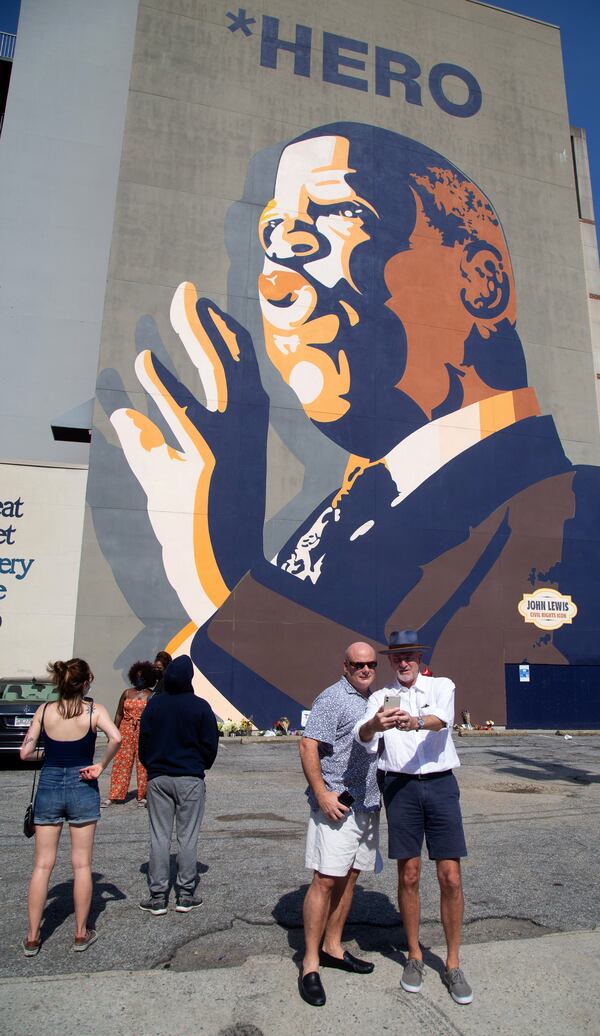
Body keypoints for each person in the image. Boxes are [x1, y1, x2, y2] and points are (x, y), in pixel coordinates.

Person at [110, 122, 600, 729]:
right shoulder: (356, 501)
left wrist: (215, 566)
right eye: (272, 234)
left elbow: (467, 713)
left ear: (481, 282)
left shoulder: (575, 512)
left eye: (340, 213)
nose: (277, 273)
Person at [355, 630, 472, 1005]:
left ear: (419, 659)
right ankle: (415, 955)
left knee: (450, 876)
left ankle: (452, 963)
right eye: (397, 657)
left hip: (439, 784)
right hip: (400, 788)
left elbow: (442, 720)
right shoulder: (379, 697)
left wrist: (414, 723)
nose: (403, 662)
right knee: (408, 874)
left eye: (409, 656)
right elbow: (364, 737)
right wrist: (377, 724)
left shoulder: (441, 685)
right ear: (391, 662)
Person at [297, 641, 380, 1008]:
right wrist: (322, 793)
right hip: (338, 806)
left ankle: (333, 946)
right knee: (325, 879)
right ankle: (309, 964)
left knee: (349, 878)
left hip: (368, 805)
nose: (365, 669)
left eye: (371, 664)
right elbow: (308, 745)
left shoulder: (374, 700)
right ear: (345, 665)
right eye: (358, 664)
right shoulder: (332, 698)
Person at [19, 658, 121, 956]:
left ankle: (33, 936)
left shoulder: (45, 711)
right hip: (82, 781)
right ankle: (80, 932)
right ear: (86, 682)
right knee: (82, 865)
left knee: (42, 864)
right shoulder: (93, 710)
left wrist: (51, 754)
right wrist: (101, 764)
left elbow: (25, 752)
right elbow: (116, 737)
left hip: (50, 782)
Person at [138, 654, 218, 914]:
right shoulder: (201, 707)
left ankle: (158, 895)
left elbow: (144, 743)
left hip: (159, 777)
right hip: (190, 777)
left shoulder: (155, 705)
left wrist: (152, 764)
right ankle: (185, 893)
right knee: (187, 837)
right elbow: (210, 745)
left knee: (159, 836)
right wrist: (200, 764)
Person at [103, 660, 155, 806]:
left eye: (143, 677)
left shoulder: (151, 695)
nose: (139, 680)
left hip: (143, 731)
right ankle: (115, 795)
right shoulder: (127, 693)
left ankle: (142, 795)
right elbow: (119, 714)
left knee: (143, 764)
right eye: (137, 677)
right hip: (125, 730)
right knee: (121, 762)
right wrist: (113, 732)